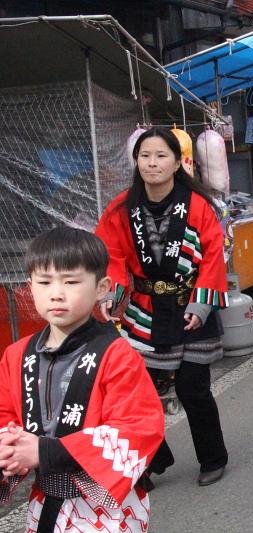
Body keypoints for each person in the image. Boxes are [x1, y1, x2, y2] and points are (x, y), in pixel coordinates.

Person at [0, 227, 164, 531]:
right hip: (44, 499)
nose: (56, 293)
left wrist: (43, 451)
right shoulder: (16, 355)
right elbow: (5, 415)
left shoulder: (116, 354)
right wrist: (10, 448)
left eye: (71, 282)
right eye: (44, 282)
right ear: (29, 287)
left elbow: (138, 428)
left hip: (105, 507)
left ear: (101, 287)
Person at [95, 127, 229, 486]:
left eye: (160, 156)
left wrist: (202, 304)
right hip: (145, 309)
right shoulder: (122, 208)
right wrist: (111, 295)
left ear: (176, 163)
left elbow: (215, 256)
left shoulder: (200, 205)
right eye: (145, 156)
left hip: (190, 307)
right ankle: (156, 457)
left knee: (192, 388)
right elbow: (111, 256)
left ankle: (213, 458)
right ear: (136, 162)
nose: (152, 163)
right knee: (137, 394)